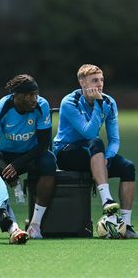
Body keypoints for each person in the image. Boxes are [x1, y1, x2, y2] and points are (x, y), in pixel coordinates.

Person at [53, 64, 138, 238]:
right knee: (96, 141)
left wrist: (107, 158)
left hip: (95, 154)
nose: (99, 85)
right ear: (82, 83)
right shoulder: (70, 102)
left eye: (101, 80)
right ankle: (107, 199)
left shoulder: (109, 102)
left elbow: (114, 140)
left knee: (128, 167)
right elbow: (89, 132)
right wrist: (98, 105)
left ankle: (126, 225)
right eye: (94, 80)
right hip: (66, 153)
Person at [0, 74, 56, 239]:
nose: (34, 99)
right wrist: (6, 169)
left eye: (36, 94)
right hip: (5, 156)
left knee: (49, 162)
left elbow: (43, 144)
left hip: (32, 154)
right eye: (29, 95)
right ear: (16, 95)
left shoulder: (42, 106)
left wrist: (17, 165)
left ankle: (35, 225)